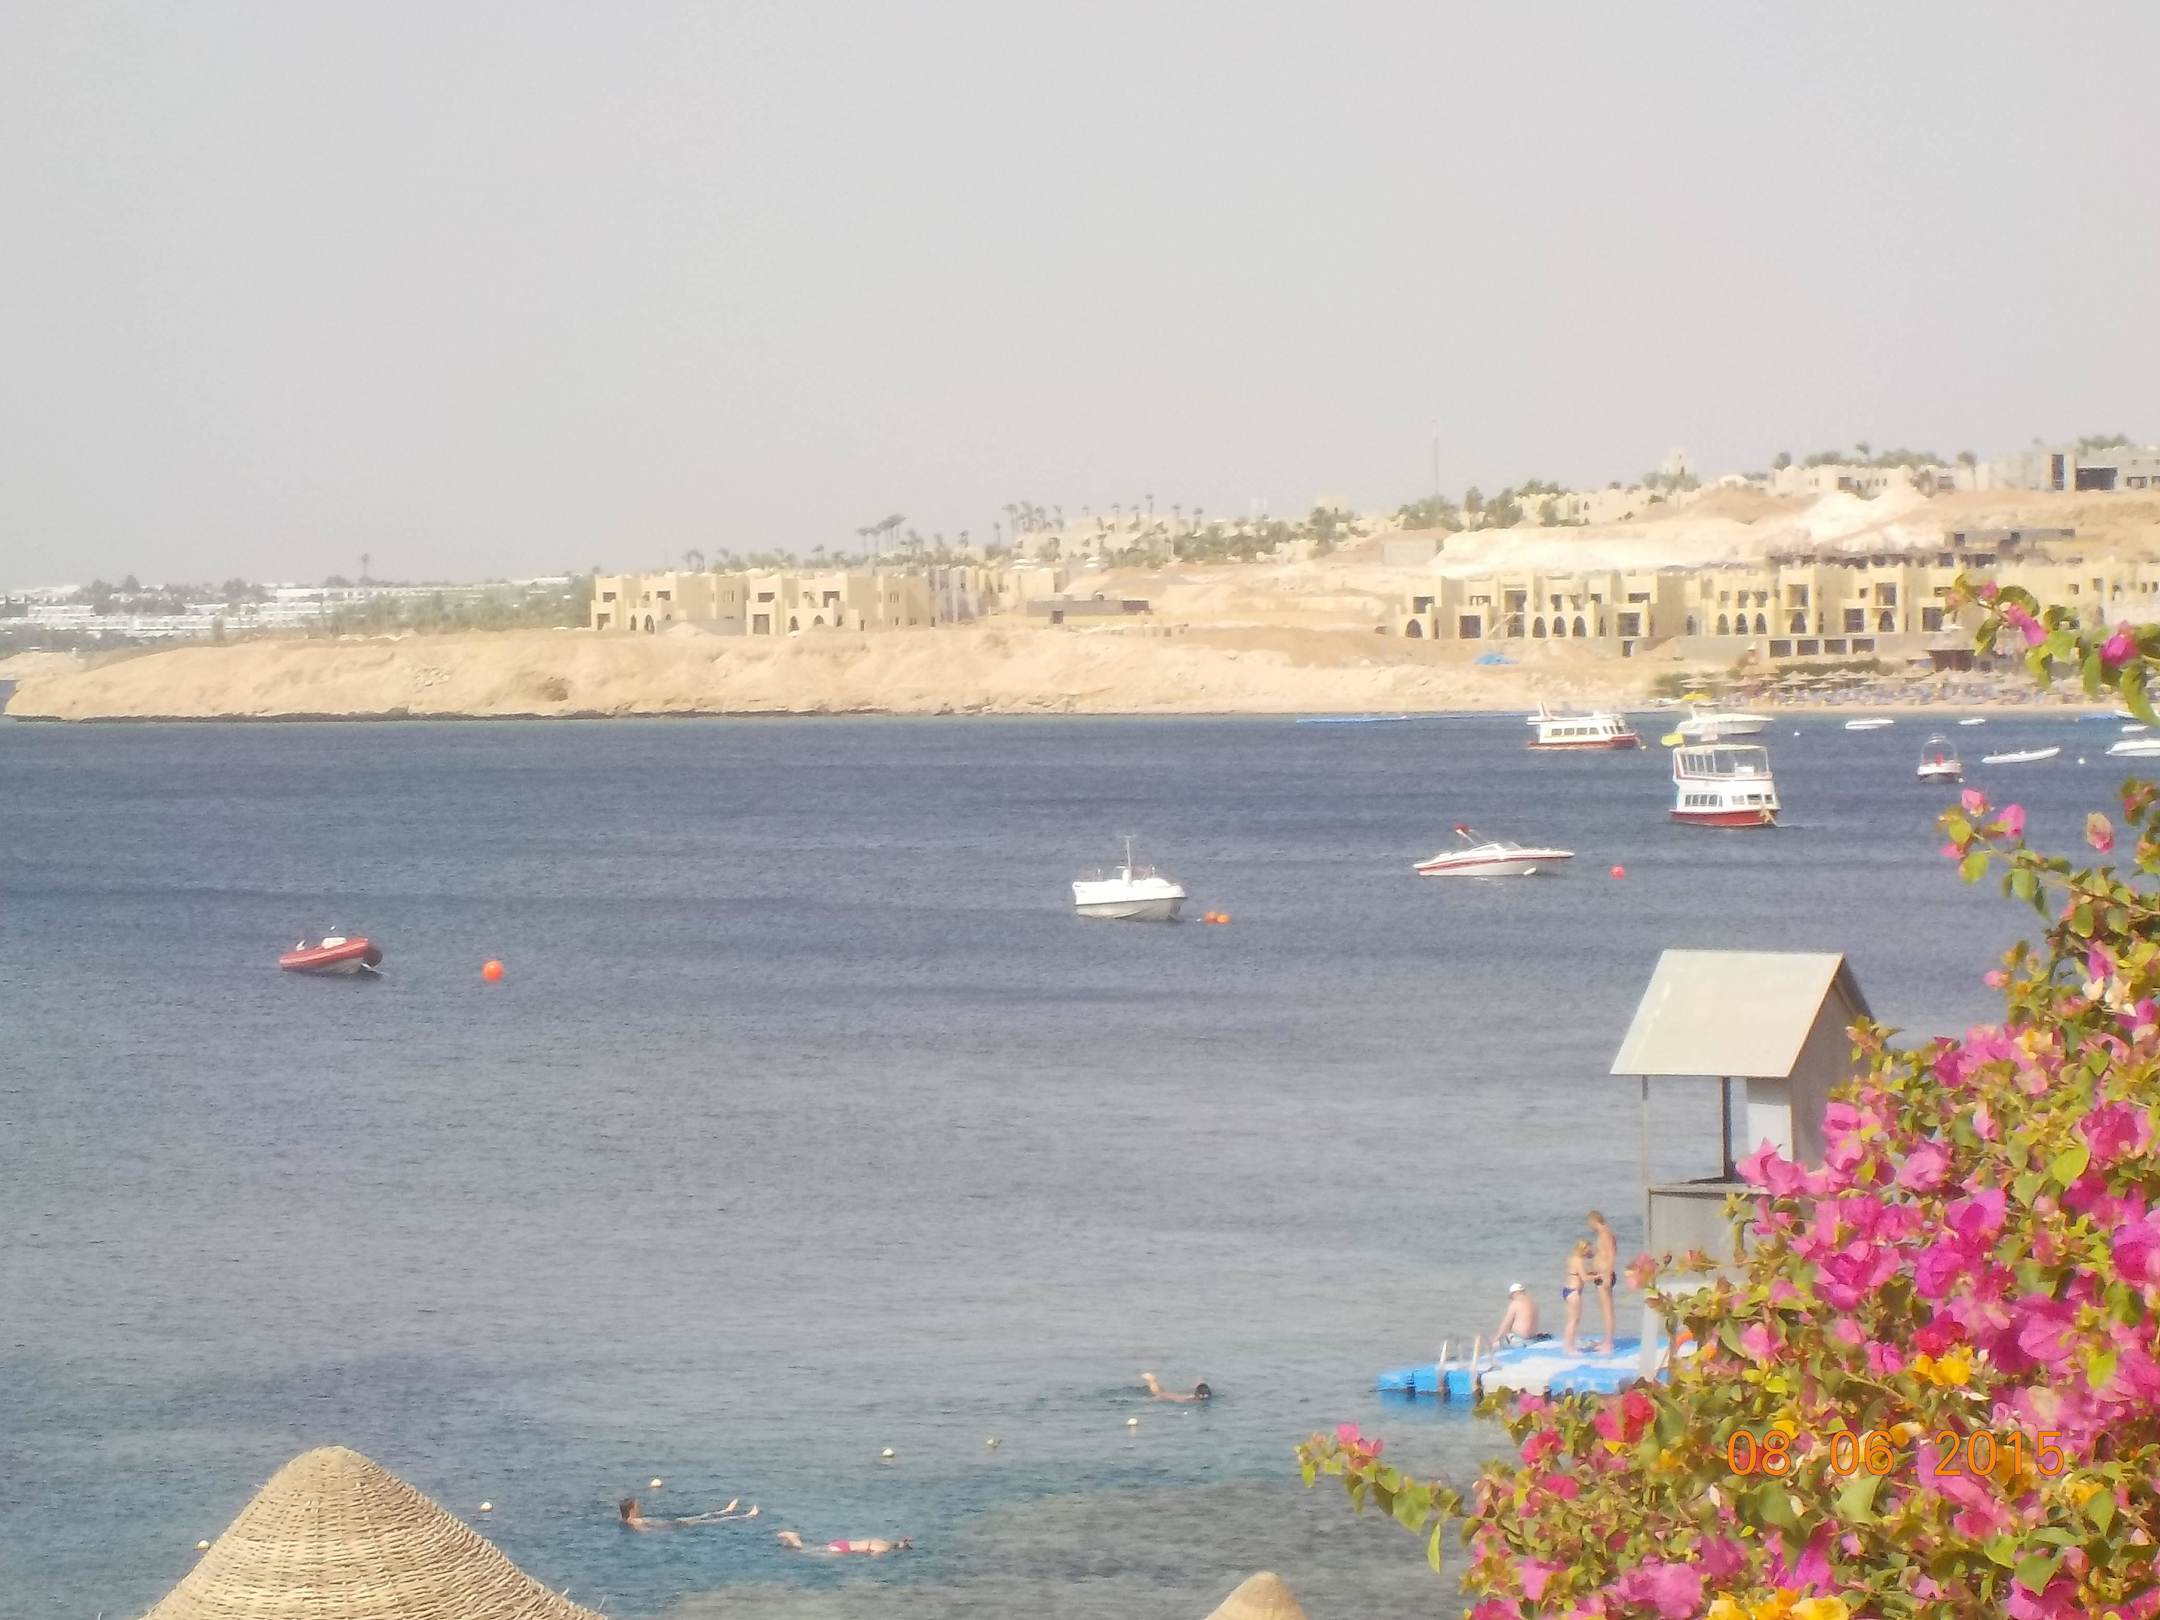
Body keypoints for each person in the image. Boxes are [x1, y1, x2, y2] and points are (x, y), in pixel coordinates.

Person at [619, 1496, 758, 1530]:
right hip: (674, 1526)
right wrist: (668, 1530)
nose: (641, 1508)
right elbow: (650, 1531)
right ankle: (747, 1516)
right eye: (638, 1506)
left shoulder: (624, 1520)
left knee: (703, 1517)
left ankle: (726, 1511)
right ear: (632, 1510)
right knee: (710, 1521)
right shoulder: (638, 1523)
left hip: (674, 1523)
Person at [1587, 1209, 1619, 1353]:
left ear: (1594, 1221)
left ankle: (1608, 1343)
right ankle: (1606, 1340)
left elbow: (1612, 1254)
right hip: (1600, 1275)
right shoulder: (1602, 1234)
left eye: (1590, 1223)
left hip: (1605, 1275)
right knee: (1604, 1309)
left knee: (1607, 1310)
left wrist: (1607, 1274)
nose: (1590, 1226)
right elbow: (1603, 1253)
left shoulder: (1606, 1234)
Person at [1559, 1241, 1592, 1355]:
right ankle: (1569, 1348)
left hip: (1568, 1290)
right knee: (1573, 1321)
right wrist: (1599, 1276)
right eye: (1588, 1249)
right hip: (1574, 1292)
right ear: (1583, 1249)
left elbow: (1578, 1274)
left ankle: (1567, 1345)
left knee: (1571, 1320)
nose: (1589, 1251)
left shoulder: (1572, 1259)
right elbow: (1585, 1278)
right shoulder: (1579, 1261)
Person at [775, 1530, 913, 1555]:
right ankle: (793, 1538)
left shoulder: (882, 1541)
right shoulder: (884, 1549)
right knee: (808, 1552)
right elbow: (873, 1556)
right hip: (844, 1549)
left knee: (816, 1549)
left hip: (843, 1543)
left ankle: (791, 1541)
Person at [1491, 1282, 1542, 1348]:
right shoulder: (1534, 1303)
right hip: (1532, 1340)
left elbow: (1506, 1325)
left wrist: (1496, 1338)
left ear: (1513, 1294)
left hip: (1520, 1341)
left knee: (1495, 1344)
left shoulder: (1515, 1303)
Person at [1140, 1371, 1212, 1402]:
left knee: (1160, 1392)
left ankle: (1152, 1380)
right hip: (1165, 1396)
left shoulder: (1191, 1398)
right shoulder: (1189, 1400)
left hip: (1169, 1395)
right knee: (1157, 1393)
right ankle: (1151, 1379)